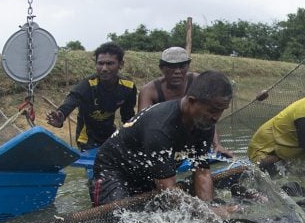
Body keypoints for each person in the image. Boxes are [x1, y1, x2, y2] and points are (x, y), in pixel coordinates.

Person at [91, 70, 233, 209]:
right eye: (213, 110)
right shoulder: (160, 127)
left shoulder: (204, 124)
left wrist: (210, 209)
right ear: (191, 101)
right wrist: (207, 213)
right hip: (113, 170)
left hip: (148, 173)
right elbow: (169, 192)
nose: (216, 117)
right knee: (117, 218)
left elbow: (202, 172)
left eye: (222, 110)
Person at [138, 46, 233, 157]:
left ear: (188, 66)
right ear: (162, 68)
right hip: (163, 135)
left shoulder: (198, 81)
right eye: (171, 67)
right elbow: (145, 125)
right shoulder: (150, 90)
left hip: (193, 132)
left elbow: (210, 115)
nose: (177, 72)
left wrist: (217, 145)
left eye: (182, 66)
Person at [46, 42, 137, 151]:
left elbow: (128, 116)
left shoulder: (128, 87)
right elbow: (72, 99)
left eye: (109, 63)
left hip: (110, 136)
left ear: (121, 64)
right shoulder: (88, 85)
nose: (104, 68)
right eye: (100, 63)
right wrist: (61, 114)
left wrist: (132, 138)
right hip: (86, 138)